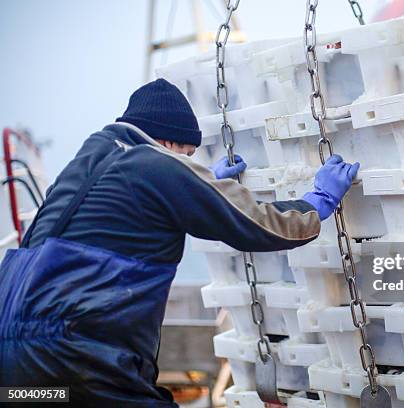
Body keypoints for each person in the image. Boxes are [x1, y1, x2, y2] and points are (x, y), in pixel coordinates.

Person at [0, 79, 359, 406]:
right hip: (79, 357)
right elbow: (258, 224)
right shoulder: (156, 164)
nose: (189, 164)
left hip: (13, 366)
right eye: (188, 156)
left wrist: (201, 189)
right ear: (169, 142)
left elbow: (119, 225)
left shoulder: (88, 161)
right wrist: (315, 205)